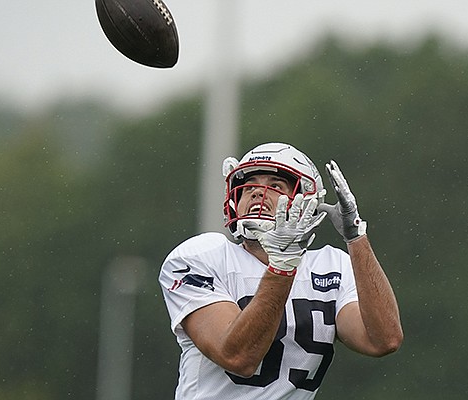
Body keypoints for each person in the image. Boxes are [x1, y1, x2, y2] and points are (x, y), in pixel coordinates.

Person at [159, 142, 403, 399]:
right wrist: (282, 266)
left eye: (275, 186)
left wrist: (356, 238)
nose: (257, 194)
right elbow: (238, 357)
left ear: (308, 200)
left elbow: (383, 340)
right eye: (249, 186)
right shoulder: (202, 256)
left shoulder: (332, 265)